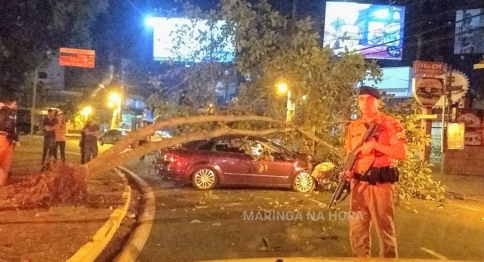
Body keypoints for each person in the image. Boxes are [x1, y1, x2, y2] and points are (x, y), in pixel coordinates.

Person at [344, 86, 407, 258]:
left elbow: (402, 153)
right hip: (358, 185)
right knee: (357, 233)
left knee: (385, 232)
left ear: (379, 102)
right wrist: (347, 171)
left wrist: (375, 145)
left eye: (370, 99)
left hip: (380, 184)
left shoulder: (390, 124)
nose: (365, 103)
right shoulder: (353, 126)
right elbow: (351, 153)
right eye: (362, 99)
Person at [0, 92, 20, 186]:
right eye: (15, 104)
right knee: (5, 162)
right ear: (10, 103)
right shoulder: (9, 113)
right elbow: (9, 127)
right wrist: (16, 139)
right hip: (4, 139)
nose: (16, 106)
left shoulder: (1, 111)